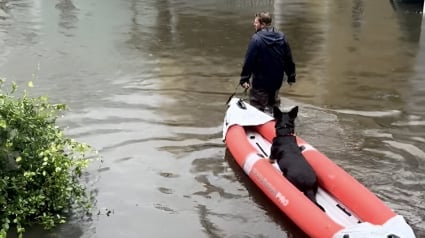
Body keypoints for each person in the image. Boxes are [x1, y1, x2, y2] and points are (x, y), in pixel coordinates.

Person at [240, 12, 296, 113]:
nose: (254, 24)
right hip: (276, 81)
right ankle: (275, 122)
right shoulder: (282, 37)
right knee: (272, 106)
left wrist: (244, 79)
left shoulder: (256, 39)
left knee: (257, 108)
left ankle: (259, 124)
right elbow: (288, 59)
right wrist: (291, 76)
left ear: (263, 25)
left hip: (260, 83)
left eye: (256, 22)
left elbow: (249, 60)